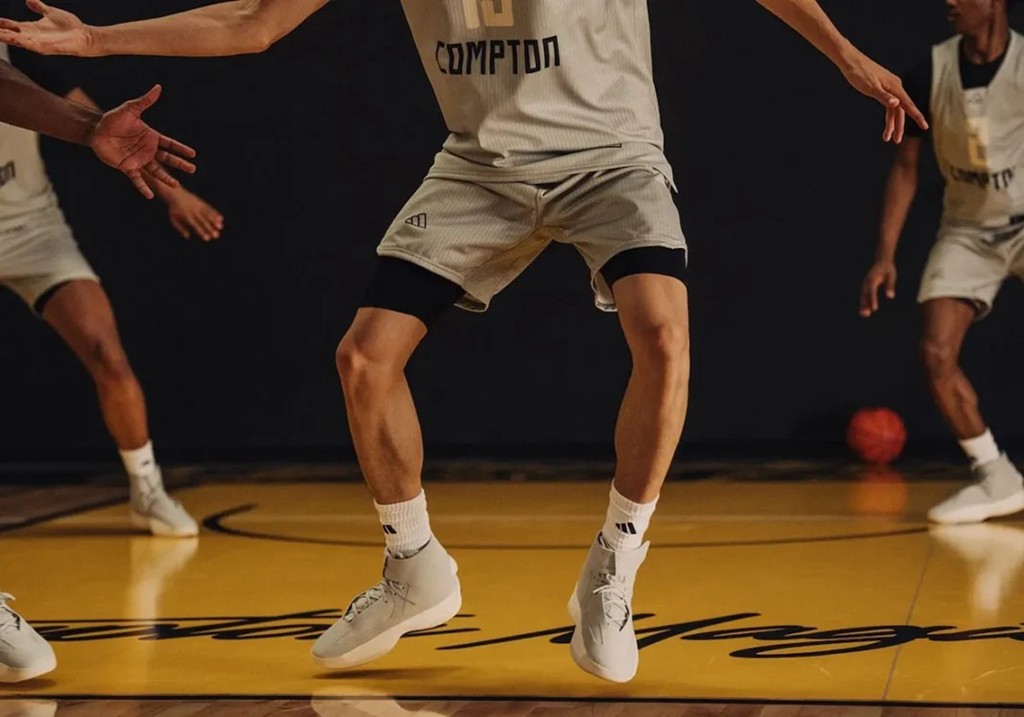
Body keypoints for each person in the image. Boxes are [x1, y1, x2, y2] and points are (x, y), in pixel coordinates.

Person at [0, 0, 926, 683]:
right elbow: (254, 21)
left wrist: (845, 53)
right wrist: (97, 41)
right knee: (363, 359)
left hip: (611, 158)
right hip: (481, 168)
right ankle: (414, 565)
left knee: (664, 335)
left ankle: (614, 566)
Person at [0, 44, 198, 684]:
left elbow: (26, 93)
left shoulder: (14, 44)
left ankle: (147, 489)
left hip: (29, 227)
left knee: (106, 351)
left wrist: (97, 135)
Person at [860, 0, 1024, 525]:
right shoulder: (930, 72)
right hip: (969, 231)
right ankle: (995, 474)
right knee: (935, 351)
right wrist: (885, 255)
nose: (949, 2)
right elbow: (906, 168)